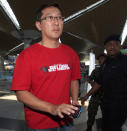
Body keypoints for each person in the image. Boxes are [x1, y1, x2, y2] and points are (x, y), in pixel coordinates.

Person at [11, 3, 81, 131]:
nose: (56, 22)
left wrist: (75, 100)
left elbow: (74, 78)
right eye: (49, 18)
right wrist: (52, 108)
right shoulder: (26, 56)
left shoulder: (70, 53)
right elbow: (21, 93)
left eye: (59, 18)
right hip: (40, 125)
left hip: (67, 120)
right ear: (39, 25)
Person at [81, 34, 127, 131]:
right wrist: (87, 95)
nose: (112, 46)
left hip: (120, 104)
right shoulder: (105, 64)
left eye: (116, 44)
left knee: (112, 128)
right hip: (106, 103)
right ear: (105, 47)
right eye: (109, 44)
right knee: (106, 126)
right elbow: (99, 83)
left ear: (120, 47)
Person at [82, 53, 106, 131]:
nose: (100, 60)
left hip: (107, 95)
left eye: (102, 58)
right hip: (95, 94)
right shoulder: (96, 70)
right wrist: (91, 82)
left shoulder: (110, 69)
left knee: (107, 113)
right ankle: (89, 127)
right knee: (91, 111)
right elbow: (89, 78)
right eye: (99, 59)